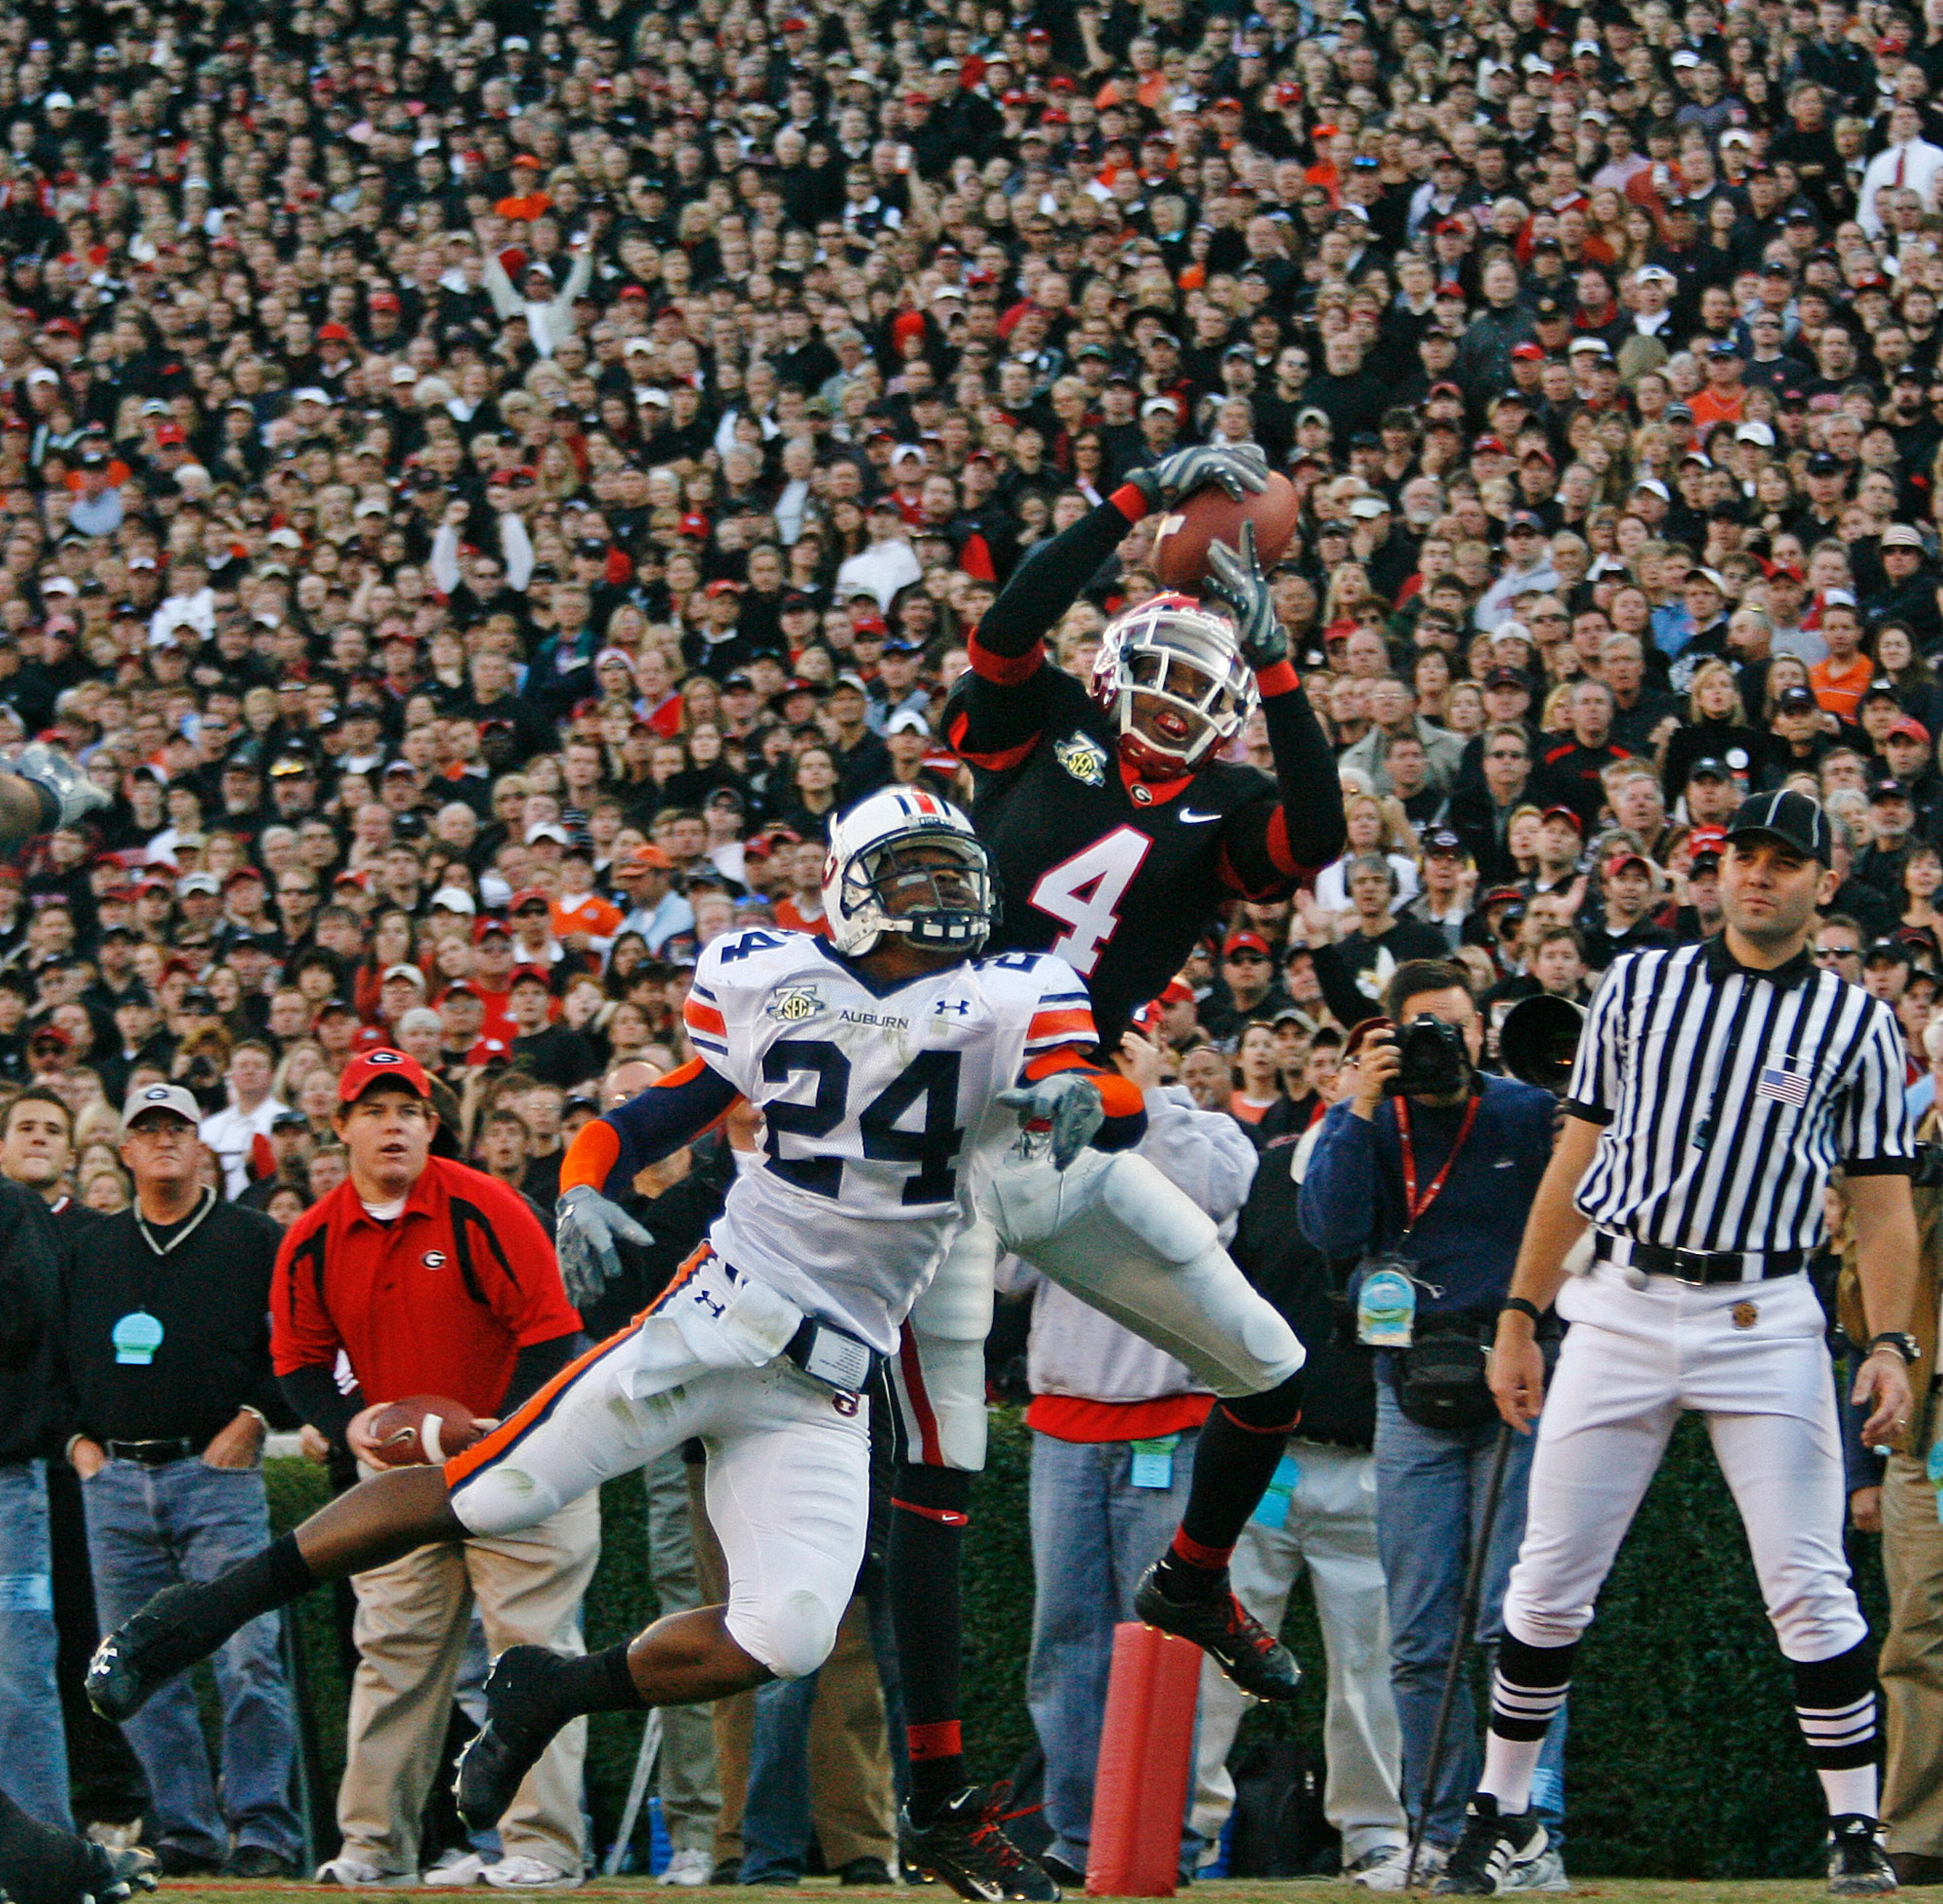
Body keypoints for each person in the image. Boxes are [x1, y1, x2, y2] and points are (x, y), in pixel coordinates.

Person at [84, 794, 1150, 1903]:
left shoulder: (1010, 994)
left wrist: (1091, 1093)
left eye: (952, 873)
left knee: (785, 1633)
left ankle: (554, 1688)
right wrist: (583, 1185)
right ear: (849, 880)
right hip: (719, 1314)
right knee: (488, 1490)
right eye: (915, 873)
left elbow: (1103, 1098)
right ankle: (186, 1621)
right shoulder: (769, 974)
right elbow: (660, 1112)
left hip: (829, 1380)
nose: (945, 896)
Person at [890, 442, 1340, 1895]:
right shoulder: (1042, 728)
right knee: (929, 1464)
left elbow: (1317, 834)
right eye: (1154, 672)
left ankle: (1195, 1575)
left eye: (1200, 690)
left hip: (1061, 1111)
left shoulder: (1220, 812)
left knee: (1270, 1364)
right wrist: (1135, 500)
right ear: (1121, 655)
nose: (1164, 702)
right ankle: (948, 1796)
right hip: (930, 1084)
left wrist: (1282, 676)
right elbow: (1013, 620)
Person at [1451, 791, 1918, 1897]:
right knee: (1552, 1575)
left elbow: (1885, 1203)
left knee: (1809, 1580)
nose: (1759, 876)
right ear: (1714, 870)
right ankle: (1502, 1808)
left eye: (1784, 861)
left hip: (1764, 1312)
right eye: (1742, 856)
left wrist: (1892, 1341)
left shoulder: (1854, 1024)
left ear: (1824, 879)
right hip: (1619, 1293)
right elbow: (1578, 1152)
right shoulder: (1642, 983)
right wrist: (1522, 1314)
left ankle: (1855, 1830)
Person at [268, 1048, 597, 1889]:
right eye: (375, 1111)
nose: (395, 1126)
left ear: (431, 1125)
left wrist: (505, 1432)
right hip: (407, 1480)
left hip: (527, 1462)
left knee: (532, 1656)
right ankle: (374, 1850)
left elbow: (552, 1331)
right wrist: (353, 1426)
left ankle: (542, 1849)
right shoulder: (311, 1238)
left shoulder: (484, 1206)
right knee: (392, 1658)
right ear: (339, 1128)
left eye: (410, 1111)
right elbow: (298, 1363)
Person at [1299, 962, 1565, 1887]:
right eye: (1419, 1033)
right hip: (1406, 1378)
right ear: (1388, 1038)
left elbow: (1583, 1213)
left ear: (1484, 1030)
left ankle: (1527, 1830)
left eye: (1452, 1030)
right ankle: (1436, 1830)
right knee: (1416, 1630)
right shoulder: (1373, 1123)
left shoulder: (1530, 1114)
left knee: (1512, 1619)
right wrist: (1352, 1106)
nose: (1438, 1050)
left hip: (1512, 1375)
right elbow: (1330, 1233)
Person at [1016, 1030, 1261, 1886]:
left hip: (1174, 1424)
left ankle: (1164, 1839)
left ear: (1160, 1046)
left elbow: (1218, 1197)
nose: (1116, 1059)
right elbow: (1005, 1271)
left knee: (1165, 1639)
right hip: (1065, 1427)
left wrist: (1144, 1101)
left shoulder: (1208, 1134)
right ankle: (1077, 1839)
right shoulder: (1045, 1134)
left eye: (1134, 1041)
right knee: (1066, 1641)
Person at [64, 1083, 302, 1879]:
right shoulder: (92, 1248)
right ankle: (189, 1834)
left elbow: (296, 1349)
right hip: (116, 1478)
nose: (164, 1141)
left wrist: (255, 1417)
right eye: (148, 1130)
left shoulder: (252, 1239)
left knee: (249, 1658)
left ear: (204, 1146)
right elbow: (56, 1358)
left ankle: (264, 1829)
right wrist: (77, 1444)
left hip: (216, 1474)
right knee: (137, 1666)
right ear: (124, 1150)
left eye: (178, 1129)